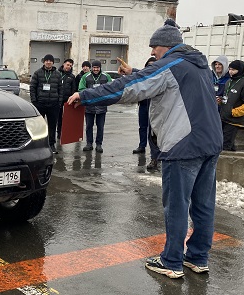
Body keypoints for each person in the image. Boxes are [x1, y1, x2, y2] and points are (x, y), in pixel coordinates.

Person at [67, 19, 222, 279]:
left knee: (176, 206)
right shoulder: (199, 65)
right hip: (211, 143)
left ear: (167, 47)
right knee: (203, 205)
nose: (152, 53)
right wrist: (137, 72)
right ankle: (197, 257)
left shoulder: (169, 65)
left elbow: (132, 88)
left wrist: (86, 95)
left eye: (154, 48)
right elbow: (164, 79)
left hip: (183, 145)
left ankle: (171, 261)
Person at [30, 54, 63, 154]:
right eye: (46, 60)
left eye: (50, 60)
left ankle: (51, 144)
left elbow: (61, 89)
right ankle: (37, 145)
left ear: (53, 62)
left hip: (53, 105)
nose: (48, 62)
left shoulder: (57, 74)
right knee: (39, 126)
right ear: (44, 62)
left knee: (52, 126)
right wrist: (34, 101)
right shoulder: (37, 73)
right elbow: (32, 87)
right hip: (41, 104)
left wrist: (59, 102)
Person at [220, 60, 244, 151]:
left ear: (240, 70)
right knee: (227, 145)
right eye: (230, 69)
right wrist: (220, 101)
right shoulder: (228, 82)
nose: (230, 72)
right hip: (223, 118)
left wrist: (233, 112)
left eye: (233, 70)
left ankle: (223, 164)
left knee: (225, 145)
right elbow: (228, 98)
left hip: (233, 120)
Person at [78, 60, 111, 152]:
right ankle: (89, 144)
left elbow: (111, 88)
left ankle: (99, 144)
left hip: (102, 106)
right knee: (89, 126)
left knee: (100, 126)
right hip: (89, 106)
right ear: (92, 68)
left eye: (97, 67)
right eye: (94, 67)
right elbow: (81, 89)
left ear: (100, 68)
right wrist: (90, 94)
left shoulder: (106, 76)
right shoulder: (86, 76)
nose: (96, 69)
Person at [133, 57, 157, 154]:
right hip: (143, 105)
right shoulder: (143, 76)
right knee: (143, 127)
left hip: (154, 107)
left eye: (152, 66)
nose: (150, 68)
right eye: (148, 66)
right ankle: (142, 146)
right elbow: (137, 74)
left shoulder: (158, 77)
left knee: (154, 130)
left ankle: (155, 152)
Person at [57, 59, 77, 140]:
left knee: (65, 118)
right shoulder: (57, 74)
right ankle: (55, 133)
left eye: (70, 66)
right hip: (57, 99)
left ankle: (62, 133)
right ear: (63, 64)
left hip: (66, 100)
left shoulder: (72, 77)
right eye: (67, 65)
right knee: (57, 117)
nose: (68, 67)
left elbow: (73, 89)